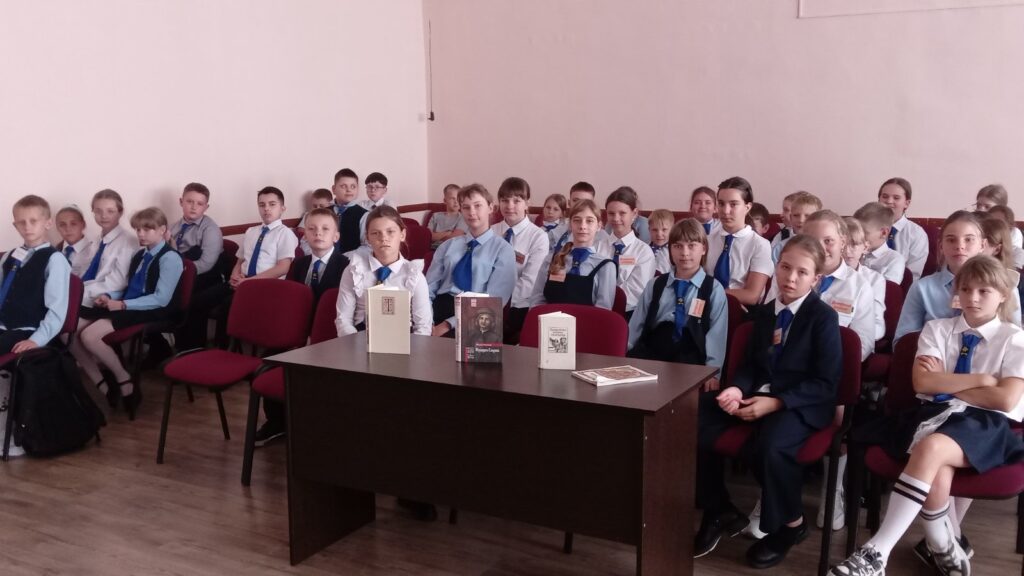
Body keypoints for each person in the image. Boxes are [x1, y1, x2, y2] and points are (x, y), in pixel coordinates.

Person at [829, 255, 1024, 576]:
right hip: (933, 414)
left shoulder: (1013, 337)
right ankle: (943, 542)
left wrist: (946, 384)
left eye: (984, 291)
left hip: (985, 423)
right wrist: (983, 379)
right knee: (938, 469)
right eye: (966, 289)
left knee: (931, 447)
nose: (973, 298)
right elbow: (923, 383)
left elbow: (1005, 399)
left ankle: (877, 552)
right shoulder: (937, 329)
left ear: (1003, 295)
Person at [695, 235, 841, 568]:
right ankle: (718, 508)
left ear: (816, 279)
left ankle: (791, 525)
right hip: (758, 394)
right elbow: (750, 365)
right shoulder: (764, 313)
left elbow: (825, 383)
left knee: (772, 446)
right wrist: (736, 389)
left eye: (802, 272)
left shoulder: (823, 318)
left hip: (800, 404)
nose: (790, 278)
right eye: (785, 267)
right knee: (691, 416)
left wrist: (776, 403)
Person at [747, 211, 875, 538]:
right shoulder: (786, 279)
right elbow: (767, 338)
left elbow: (864, 341)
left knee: (830, 419)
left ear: (842, 242)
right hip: (782, 377)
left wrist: (841, 381)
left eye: (828, 241)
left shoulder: (861, 284)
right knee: (760, 435)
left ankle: (833, 490)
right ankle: (772, 494)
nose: (820, 247)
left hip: (830, 379)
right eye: (813, 240)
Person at [72, 207, 184, 418]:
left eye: (147, 229)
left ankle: (124, 379)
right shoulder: (141, 255)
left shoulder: (170, 258)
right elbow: (129, 287)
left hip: (154, 310)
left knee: (89, 337)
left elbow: (161, 299)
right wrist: (109, 297)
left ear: (162, 230)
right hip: (130, 304)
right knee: (69, 331)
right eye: (138, 229)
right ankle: (103, 384)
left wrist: (123, 304)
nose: (141, 234)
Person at [178, 187, 297, 351]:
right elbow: (240, 260)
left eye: (272, 204)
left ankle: (222, 351)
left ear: (282, 208)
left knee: (227, 307)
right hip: (242, 281)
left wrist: (249, 282)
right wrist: (235, 276)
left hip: (266, 286)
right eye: (262, 205)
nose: (266, 209)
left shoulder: (285, 234)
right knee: (199, 301)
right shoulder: (252, 232)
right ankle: (194, 349)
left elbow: (283, 268)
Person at [627, 218, 727, 389]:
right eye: (678, 246)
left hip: (691, 353)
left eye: (691, 246)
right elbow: (637, 324)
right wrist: (625, 354)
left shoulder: (713, 289)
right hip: (654, 350)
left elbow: (717, 334)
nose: (684, 253)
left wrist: (713, 372)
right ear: (670, 250)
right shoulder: (656, 284)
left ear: (703, 249)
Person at [896, 210, 1021, 344]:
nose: (960, 246)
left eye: (969, 239)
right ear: (941, 246)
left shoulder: (1004, 287)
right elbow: (902, 341)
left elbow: (1015, 339)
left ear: (982, 245)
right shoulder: (922, 288)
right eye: (951, 240)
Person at [426, 184, 516, 337]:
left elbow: (495, 300)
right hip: (439, 307)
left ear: (490, 207)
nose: (472, 212)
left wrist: (448, 324)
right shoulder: (448, 245)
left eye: (477, 206)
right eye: (466, 207)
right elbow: (429, 287)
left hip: (478, 313)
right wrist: (426, 319)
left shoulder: (503, 249)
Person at [336, 205, 432, 337]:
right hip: (360, 336)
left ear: (402, 235)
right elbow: (344, 320)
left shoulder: (414, 275)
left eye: (390, 231)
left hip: (403, 339)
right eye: (375, 233)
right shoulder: (353, 271)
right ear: (367, 238)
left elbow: (423, 327)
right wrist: (356, 344)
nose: (383, 238)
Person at [0, 195, 71, 355]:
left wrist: (36, 340)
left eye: (33, 221)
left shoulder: (55, 259)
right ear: (15, 225)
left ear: (48, 223)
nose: (27, 227)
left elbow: (57, 309)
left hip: (28, 330)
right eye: (21, 222)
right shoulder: (8, 256)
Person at [491, 177, 548, 344]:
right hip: (486, 302)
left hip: (518, 305)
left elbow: (530, 280)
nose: (510, 206)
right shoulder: (491, 231)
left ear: (527, 204)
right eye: (504, 200)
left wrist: (498, 303)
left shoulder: (538, 236)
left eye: (516, 201)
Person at [531, 199, 617, 309]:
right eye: (577, 220)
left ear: (599, 226)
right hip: (549, 319)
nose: (582, 226)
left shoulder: (605, 266)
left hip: (587, 319)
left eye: (589, 221)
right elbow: (537, 299)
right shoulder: (552, 259)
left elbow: (603, 309)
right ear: (570, 225)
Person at [705, 176, 774, 306]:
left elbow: (752, 295)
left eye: (733, 204)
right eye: (721, 204)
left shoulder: (760, 245)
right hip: (707, 306)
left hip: (741, 309)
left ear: (747, 207)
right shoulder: (707, 240)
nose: (725, 211)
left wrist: (710, 293)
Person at [598, 186, 655, 317]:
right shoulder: (598, 246)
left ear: (634, 214)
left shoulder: (643, 252)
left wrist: (607, 302)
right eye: (611, 213)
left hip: (628, 312)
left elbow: (636, 290)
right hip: (597, 309)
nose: (616, 218)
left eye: (622, 213)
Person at [80, 189, 138, 306]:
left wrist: (80, 291)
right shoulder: (96, 240)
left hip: (101, 300)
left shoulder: (128, 242)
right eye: (98, 211)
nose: (104, 216)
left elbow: (118, 282)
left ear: (120, 212)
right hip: (85, 293)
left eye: (110, 211)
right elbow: (85, 270)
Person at [287, 207, 349, 307]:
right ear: (305, 236)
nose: (318, 233)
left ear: (336, 237)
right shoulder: (297, 264)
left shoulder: (346, 266)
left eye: (325, 228)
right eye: (311, 228)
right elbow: (290, 296)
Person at [168, 182, 223, 292]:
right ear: (181, 202)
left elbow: (206, 264)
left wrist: (176, 272)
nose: (194, 207)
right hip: (174, 270)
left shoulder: (210, 230)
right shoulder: (172, 227)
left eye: (200, 204)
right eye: (189, 202)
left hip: (200, 277)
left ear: (206, 207)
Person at [843, 217, 887, 343]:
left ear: (866, 247)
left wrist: (854, 338)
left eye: (854, 244)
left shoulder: (875, 280)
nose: (847, 251)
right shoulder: (824, 277)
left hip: (859, 341)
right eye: (843, 245)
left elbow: (877, 325)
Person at [879, 177, 929, 280]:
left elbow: (912, 275)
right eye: (885, 196)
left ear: (907, 203)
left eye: (896, 198)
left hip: (902, 287)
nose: (889, 201)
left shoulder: (917, 234)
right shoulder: (866, 228)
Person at [854, 202, 907, 284]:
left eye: (864, 233)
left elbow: (889, 289)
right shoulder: (851, 252)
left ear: (884, 233)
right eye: (856, 232)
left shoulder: (894, 259)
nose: (858, 237)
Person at [771, 191, 821, 263]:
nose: (801, 220)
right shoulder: (781, 246)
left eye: (807, 216)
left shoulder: (822, 244)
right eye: (796, 215)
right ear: (791, 217)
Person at [331, 168, 368, 253]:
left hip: (352, 259)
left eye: (353, 186)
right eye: (344, 186)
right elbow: (307, 241)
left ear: (357, 189)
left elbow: (367, 246)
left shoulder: (364, 215)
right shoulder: (324, 212)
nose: (349, 190)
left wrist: (345, 258)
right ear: (334, 189)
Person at [976, 184, 1022, 249]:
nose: (980, 210)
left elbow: (1011, 254)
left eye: (987, 207)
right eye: (978, 205)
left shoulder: (1013, 233)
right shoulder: (973, 227)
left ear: (1001, 209)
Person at [54, 205, 94, 277]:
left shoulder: (94, 251)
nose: (68, 229)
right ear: (57, 227)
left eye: (73, 224)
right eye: (62, 225)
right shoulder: (54, 251)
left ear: (83, 225)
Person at [427, 183, 469, 250]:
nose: (456, 202)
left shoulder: (463, 217)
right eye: (452, 198)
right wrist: (448, 233)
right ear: (445, 201)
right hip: (433, 248)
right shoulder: (435, 216)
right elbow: (428, 236)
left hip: (451, 249)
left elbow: (455, 237)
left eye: (458, 199)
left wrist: (436, 236)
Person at [297, 188, 335, 255]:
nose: (318, 208)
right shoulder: (308, 215)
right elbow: (300, 229)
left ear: (330, 205)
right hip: (310, 241)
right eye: (314, 206)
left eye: (321, 206)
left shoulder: (332, 216)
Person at [647, 208, 675, 275]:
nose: (659, 234)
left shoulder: (674, 250)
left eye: (664, 230)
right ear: (649, 230)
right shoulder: (645, 248)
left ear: (672, 229)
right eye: (655, 230)